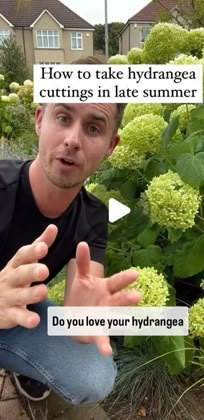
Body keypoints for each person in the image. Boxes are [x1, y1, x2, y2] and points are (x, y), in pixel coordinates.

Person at [0, 56, 141, 405]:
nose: (73, 140)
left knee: (94, 375)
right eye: (63, 117)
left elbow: (83, 298)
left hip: (18, 314)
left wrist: (82, 322)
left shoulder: (92, 217)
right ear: (39, 119)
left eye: (93, 128)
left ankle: (26, 366)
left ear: (111, 145)